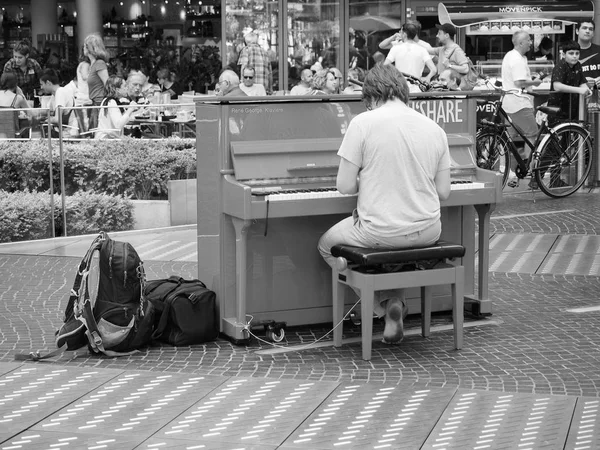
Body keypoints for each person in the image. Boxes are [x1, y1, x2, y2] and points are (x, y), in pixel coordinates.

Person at [318, 64, 450, 344]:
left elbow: (344, 186)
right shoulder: (434, 128)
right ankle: (394, 306)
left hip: (380, 233)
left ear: (371, 97)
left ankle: (382, 306)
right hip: (428, 230)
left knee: (325, 245)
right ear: (402, 92)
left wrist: (372, 178)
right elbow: (444, 192)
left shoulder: (363, 123)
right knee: (399, 251)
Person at [502, 30, 543, 188]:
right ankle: (531, 172)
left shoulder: (510, 55)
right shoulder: (518, 59)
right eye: (528, 40)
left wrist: (529, 81)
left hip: (509, 103)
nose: (531, 43)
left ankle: (510, 173)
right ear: (520, 43)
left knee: (508, 140)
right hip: (520, 104)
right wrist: (535, 83)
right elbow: (519, 82)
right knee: (531, 137)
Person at [547, 41, 591, 123]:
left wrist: (587, 90)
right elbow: (557, 86)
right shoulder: (560, 66)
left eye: (577, 53)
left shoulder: (578, 65)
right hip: (557, 110)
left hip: (573, 110)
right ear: (563, 55)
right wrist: (578, 90)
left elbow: (582, 82)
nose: (574, 56)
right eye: (571, 53)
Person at [384, 22, 436, 91]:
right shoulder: (422, 49)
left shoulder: (396, 48)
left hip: (400, 88)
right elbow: (434, 69)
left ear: (404, 34)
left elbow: (385, 66)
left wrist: (393, 78)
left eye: (401, 32)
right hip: (416, 88)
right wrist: (427, 78)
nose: (400, 34)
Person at [95, 75, 146, 139]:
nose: (127, 88)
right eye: (124, 86)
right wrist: (130, 109)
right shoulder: (111, 102)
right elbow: (118, 125)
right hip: (106, 139)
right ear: (117, 89)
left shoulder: (112, 101)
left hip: (111, 138)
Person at [39, 68, 79, 137]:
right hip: (64, 132)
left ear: (48, 83)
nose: (41, 87)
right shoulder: (54, 96)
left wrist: (45, 120)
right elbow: (49, 112)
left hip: (70, 133)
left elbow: (57, 119)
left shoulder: (60, 92)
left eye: (42, 84)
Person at [84, 34, 109, 131]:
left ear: (90, 48)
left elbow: (107, 83)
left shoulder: (99, 64)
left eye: (85, 46)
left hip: (99, 104)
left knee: (96, 133)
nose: (83, 48)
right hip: (95, 103)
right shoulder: (93, 65)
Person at [0, 71, 30, 138]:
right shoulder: (18, 98)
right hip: (12, 138)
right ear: (15, 84)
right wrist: (21, 94)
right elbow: (31, 113)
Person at [575, 21, 600, 92]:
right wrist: (582, 82)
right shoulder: (570, 52)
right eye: (584, 28)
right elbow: (563, 78)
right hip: (577, 95)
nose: (587, 31)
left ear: (593, 34)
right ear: (577, 31)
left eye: (590, 29)